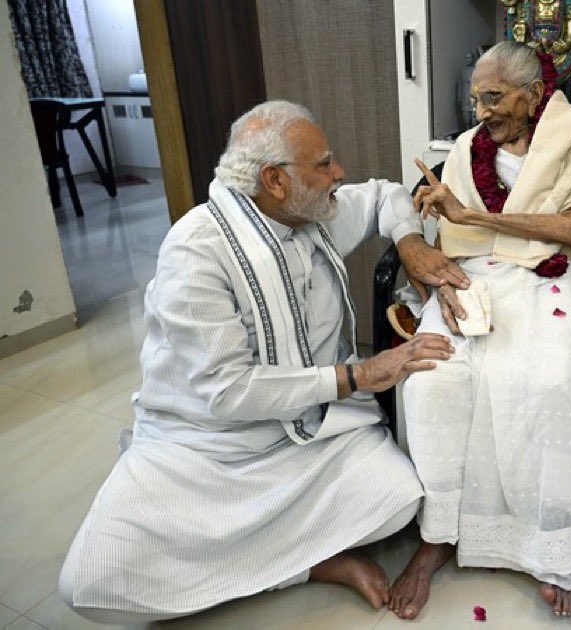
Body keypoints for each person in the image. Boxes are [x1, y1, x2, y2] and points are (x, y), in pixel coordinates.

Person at [58, 100, 467, 624]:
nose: (338, 173)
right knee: (90, 583)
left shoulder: (315, 214)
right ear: (274, 180)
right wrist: (359, 375)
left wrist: (411, 244)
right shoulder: (196, 252)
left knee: (399, 499)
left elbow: (388, 193)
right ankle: (309, 563)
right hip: (206, 448)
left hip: (311, 437)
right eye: (323, 164)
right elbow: (227, 392)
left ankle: (287, 556)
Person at [389, 41, 571, 619]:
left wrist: (475, 217)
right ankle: (437, 538)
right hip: (477, 277)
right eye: (476, 99)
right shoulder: (466, 149)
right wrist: (441, 277)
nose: (481, 112)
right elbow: (449, 241)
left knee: (547, 381)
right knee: (432, 381)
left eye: (493, 98)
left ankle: (555, 550)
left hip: (553, 277)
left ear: (533, 94)